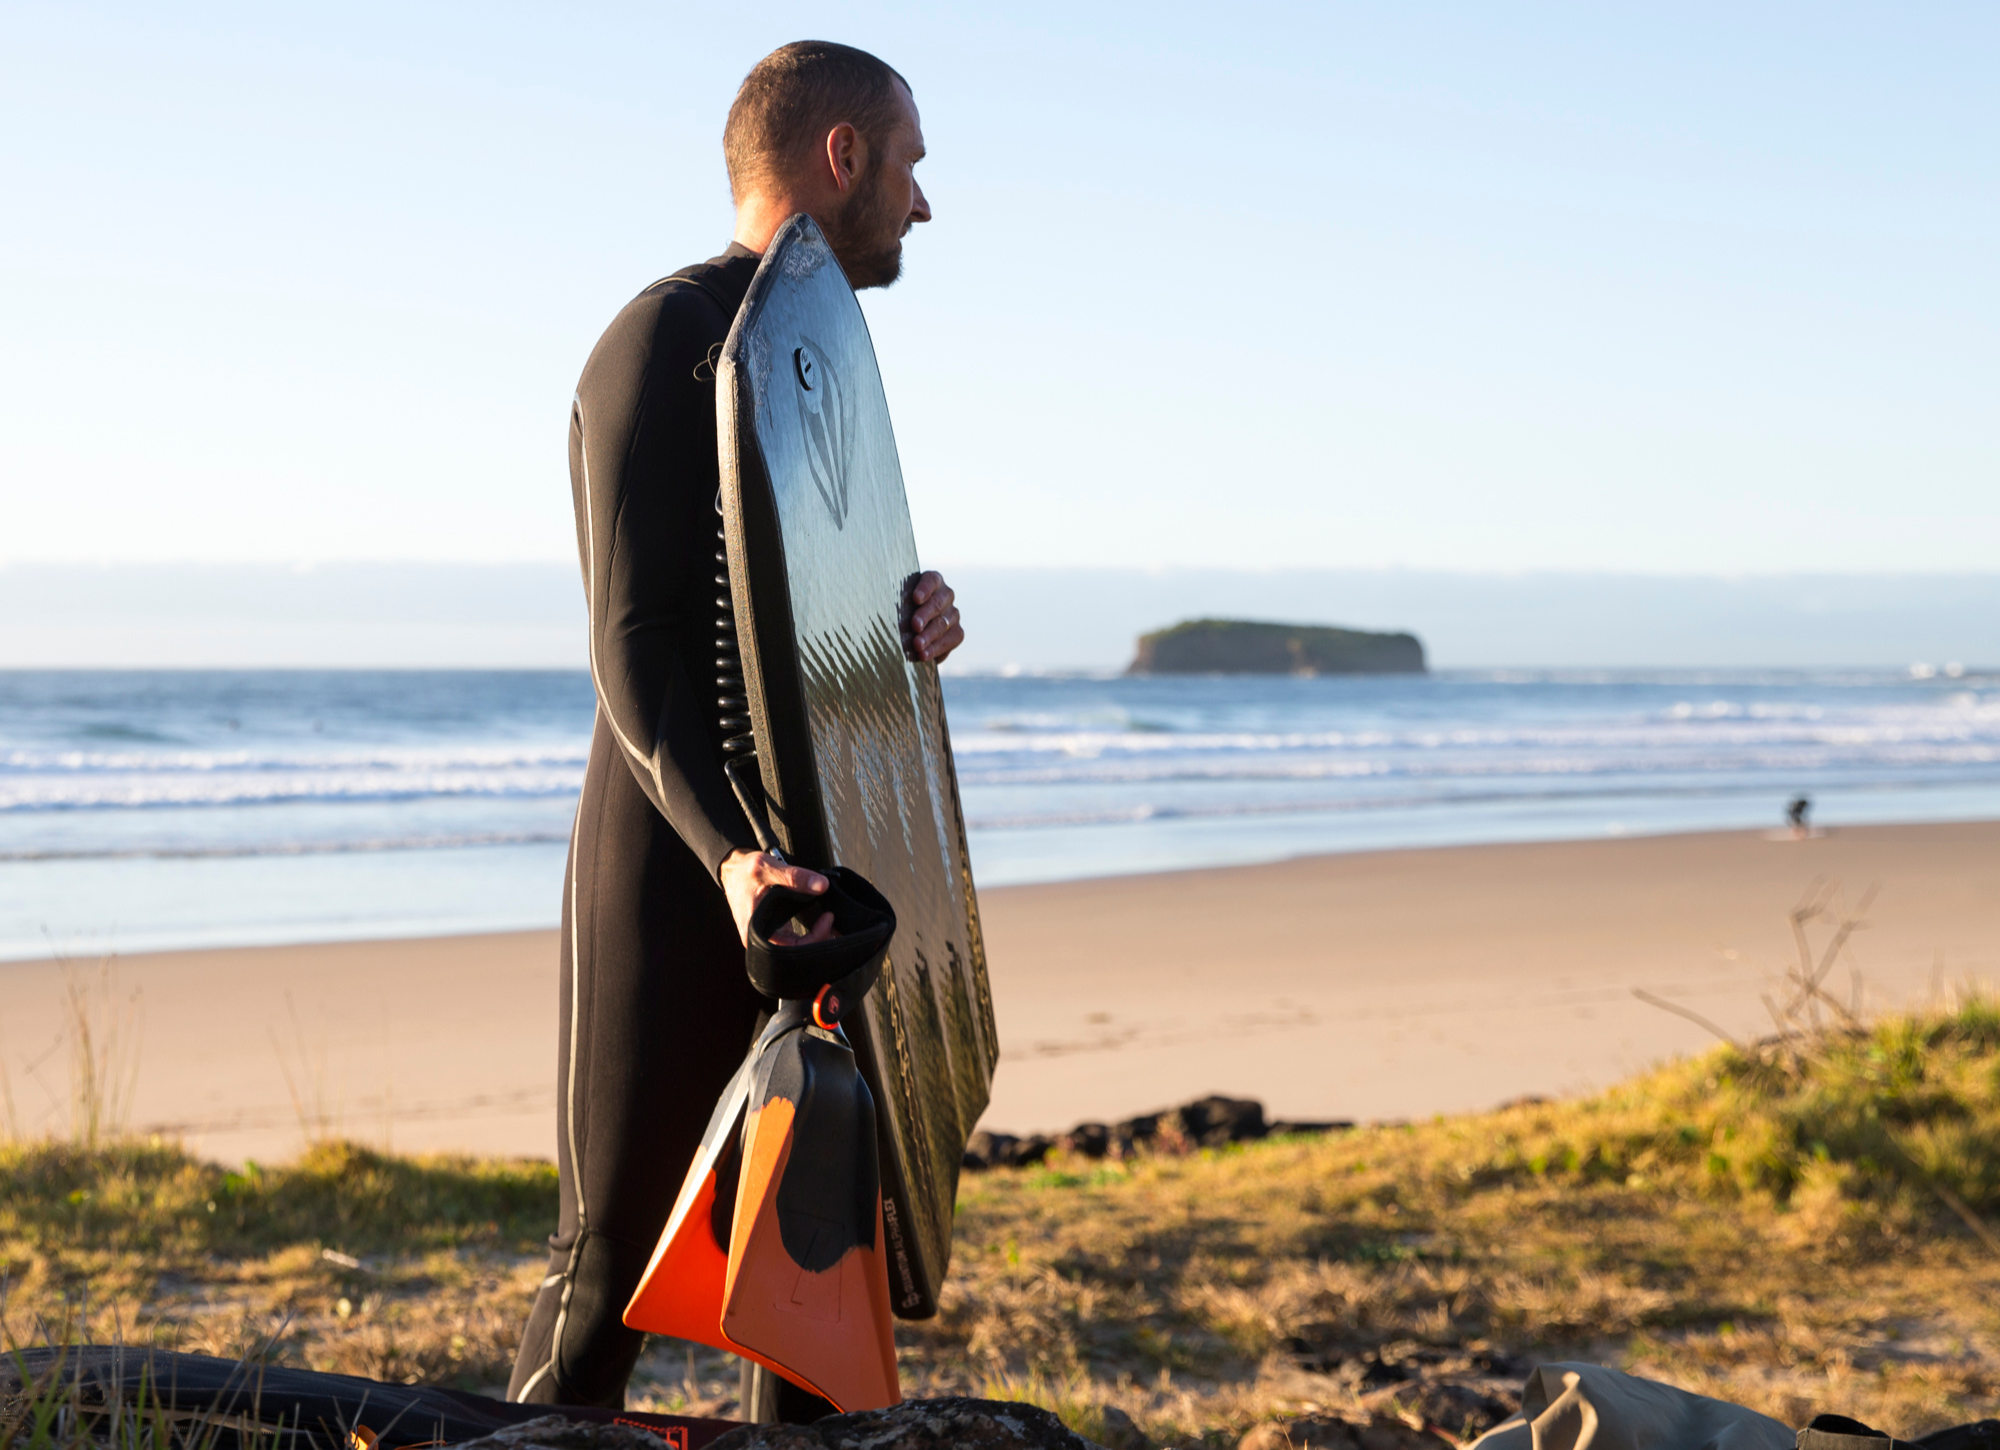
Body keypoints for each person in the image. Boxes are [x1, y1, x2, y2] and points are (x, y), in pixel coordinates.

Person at [507, 40, 962, 1411]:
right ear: (841, 159)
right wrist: (726, 856)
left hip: (816, 880)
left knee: (810, 1298)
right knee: (604, 1279)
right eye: (910, 163)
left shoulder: (820, 362)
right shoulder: (659, 338)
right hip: (672, 869)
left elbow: (798, 634)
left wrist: (908, 623)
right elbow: (633, 648)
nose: (923, 202)